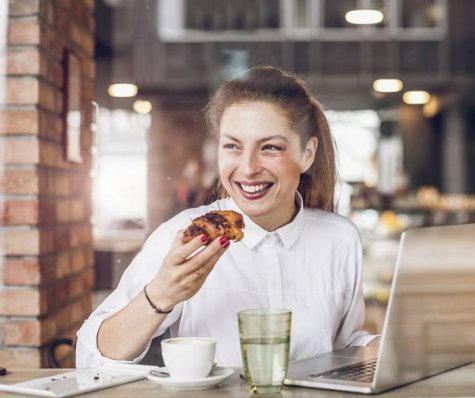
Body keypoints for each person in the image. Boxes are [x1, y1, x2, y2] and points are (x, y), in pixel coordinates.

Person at [76, 66, 377, 368]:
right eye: (232, 146)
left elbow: (344, 344)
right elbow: (91, 357)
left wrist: (392, 348)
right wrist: (161, 294)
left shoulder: (340, 239)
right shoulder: (184, 236)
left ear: (307, 154)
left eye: (270, 147)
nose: (247, 168)